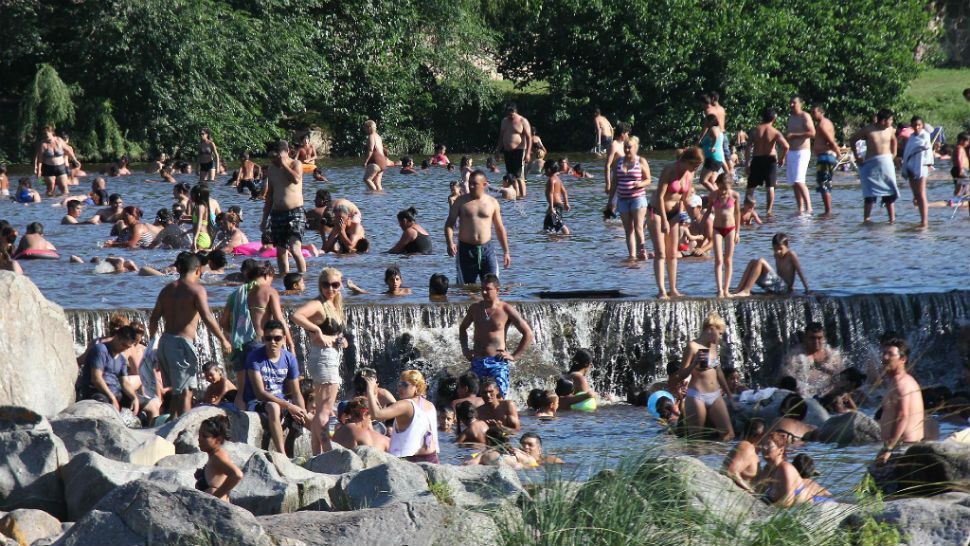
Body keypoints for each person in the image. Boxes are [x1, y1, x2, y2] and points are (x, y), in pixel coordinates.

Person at [149, 252, 232, 418]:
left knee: (176, 391)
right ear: (198, 270)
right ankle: (185, 427)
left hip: (165, 343)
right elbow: (207, 317)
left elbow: (153, 319)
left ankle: (171, 423)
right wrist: (223, 339)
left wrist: (152, 341)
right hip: (181, 345)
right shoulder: (196, 290)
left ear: (179, 269)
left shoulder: (166, 290)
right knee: (186, 391)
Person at [291, 268, 348, 454]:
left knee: (321, 410)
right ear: (320, 285)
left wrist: (340, 340)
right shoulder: (318, 304)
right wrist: (316, 330)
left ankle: (317, 453)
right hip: (324, 358)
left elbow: (333, 333)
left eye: (335, 285)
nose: (330, 289)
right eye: (326, 285)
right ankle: (328, 451)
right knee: (326, 411)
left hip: (326, 357)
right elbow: (296, 316)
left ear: (340, 285)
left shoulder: (333, 305)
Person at [459, 274, 534, 399]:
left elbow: (528, 333)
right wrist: (465, 349)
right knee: (475, 397)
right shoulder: (475, 308)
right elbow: (463, 328)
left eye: (488, 289)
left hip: (497, 363)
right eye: (482, 288)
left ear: (497, 290)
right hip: (478, 361)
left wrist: (514, 356)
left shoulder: (506, 309)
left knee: (498, 397)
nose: (484, 292)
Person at [241, 319, 309, 454]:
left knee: (312, 417)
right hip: (258, 402)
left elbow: (296, 393)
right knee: (274, 407)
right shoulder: (254, 358)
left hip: (282, 401)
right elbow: (260, 393)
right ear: (263, 339)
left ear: (284, 339)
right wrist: (289, 406)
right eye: (268, 338)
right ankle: (281, 455)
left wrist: (302, 412)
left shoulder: (289, 358)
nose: (273, 342)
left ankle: (322, 453)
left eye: (277, 338)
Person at [648, 148, 702, 298]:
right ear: (687, 161)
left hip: (674, 214)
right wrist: (664, 220)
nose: (696, 168)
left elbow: (684, 199)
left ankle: (673, 289)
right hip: (657, 212)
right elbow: (660, 196)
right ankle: (661, 290)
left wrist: (694, 218)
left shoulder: (690, 174)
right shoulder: (669, 169)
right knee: (660, 253)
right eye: (695, 165)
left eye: (698, 166)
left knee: (672, 253)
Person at [671, 312, 733, 440]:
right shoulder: (693, 346)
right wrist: (694, 364)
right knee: (696, 438)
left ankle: (713, 452)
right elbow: (680, 375)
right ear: (711, 329)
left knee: (729, 434)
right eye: (720, 333)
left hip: (715, 395)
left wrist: (730, 395)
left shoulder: (713, 346)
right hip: (697, 396)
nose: (721, 337)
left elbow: (718, 371)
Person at [445, 171, 511, 285]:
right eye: (470, 183)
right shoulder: (461, 201)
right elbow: (449, 224)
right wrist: (450, 243)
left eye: (474, 184)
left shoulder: (492, 202)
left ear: (484, 185)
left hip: (487, 250)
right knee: (466, 288)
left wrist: (506, 252)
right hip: (466, 251)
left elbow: (499, 228)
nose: (471, 186)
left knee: (492, 286)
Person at [364, 370, 439, 463]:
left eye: (405, 385)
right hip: (432, 458)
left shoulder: (405, 404)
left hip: (410, 461)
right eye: (399, 385)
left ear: (417, 387)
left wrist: (370, 390)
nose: (400, 388)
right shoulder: (430, 405)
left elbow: (377, 415)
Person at [260, 140, 307, 274]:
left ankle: (302, 278)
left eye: (276, 157)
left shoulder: (295, 164)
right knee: (281, 251)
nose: (273, 160)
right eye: (271, 157)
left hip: (296, 212)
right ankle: (284, 280)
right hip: (277, 214)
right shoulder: (271, 169)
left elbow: (296, 179)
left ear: (286, 152)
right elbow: (269, 195)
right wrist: (264, 219)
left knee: (295, 248)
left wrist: (284, 165)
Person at [876, 338, 925, 464]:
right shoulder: (903, 380)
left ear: (903, 359)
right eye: (884, 353)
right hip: (903, 446)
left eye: (890, 354)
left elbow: (902, 416)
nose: (885, 357)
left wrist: (888, 448)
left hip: (902, 448)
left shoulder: (901, 383)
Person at [850, 109, 899, 223]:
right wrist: (857, 156)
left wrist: (894, 154)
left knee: (889, 193)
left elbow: (894, 141)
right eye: (890, 120)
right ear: (883, 120)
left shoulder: (890, 129)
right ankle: (867, 219)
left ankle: (892, 220)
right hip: (871, 165)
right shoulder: (868, 129)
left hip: (886, 165)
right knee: (869, 194)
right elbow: (853, 140)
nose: (892, 122)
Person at [607, 136, 651, 260]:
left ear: (635, 148)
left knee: (638, 227)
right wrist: (610, 202)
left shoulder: (641, 161)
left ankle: (642, 251)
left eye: (629, 147)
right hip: (622, 200)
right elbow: (615, 182)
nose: (627, 149)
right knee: (628, 229)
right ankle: (632, 255)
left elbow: (648, 179)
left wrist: (640, 184)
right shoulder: (618, 162)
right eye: (625, 147)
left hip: (638, 198)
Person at [79, 325, 141, 412]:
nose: (124, 349)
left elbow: (125, 383)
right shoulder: (100, 350)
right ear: (116, 337)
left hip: (115, 392)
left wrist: (134, 397)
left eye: (128, 347)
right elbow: (96, 379)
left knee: (148, 405)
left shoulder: (122, 359)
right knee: (104, 404)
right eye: (123, 345)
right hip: (97, 393)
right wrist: (112, 397)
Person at [778, 323, 843, 398]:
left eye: (819, 338)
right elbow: (787, 380)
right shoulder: (794, 356)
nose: (816, 342)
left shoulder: (833, 355)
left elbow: (841, 378)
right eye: (812, 338)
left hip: (829, 396)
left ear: (824, 338)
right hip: (804, 397)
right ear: (805, 338)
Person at [733, 233, 809, 297]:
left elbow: (800, 272)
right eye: (775, 249)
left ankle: (746, 290)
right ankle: (739, 289)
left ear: (787, 246)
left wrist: (807, 288)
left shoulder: (791, 255)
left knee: (761, 261)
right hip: (776, 285)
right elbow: (775, 274)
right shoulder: (776, 255)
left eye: (780, 249)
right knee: (752, 262)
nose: (778, 251)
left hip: (784, 288)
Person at [745, 108, 789, 216]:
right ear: (774, 119)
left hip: (757, 159)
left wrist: (747, 163)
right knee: (770, 186)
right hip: (770, 159)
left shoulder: (755, 130)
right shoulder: (775, 132)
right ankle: (769, 211)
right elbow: (786, 146)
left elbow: (748, 147)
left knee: (751, 186)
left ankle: (746, 210)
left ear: (762, 117)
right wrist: (782, 158)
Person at [196, 415, 243, 501]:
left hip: (214, 507)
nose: (199, 439)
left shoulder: (217, 457)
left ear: (218, 439)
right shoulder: (214, 456)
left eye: (205, 436)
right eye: (199, 435)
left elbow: (237, 475)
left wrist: (214, 498)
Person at [709, 173, 741, 298]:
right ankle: (719, 290)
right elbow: (708, 211)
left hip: (730, 229)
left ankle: (726, 289)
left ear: (730, 186)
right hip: (717, 229)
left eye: (725, 189)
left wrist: (737, 232)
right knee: (718, 260)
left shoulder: (735, 195)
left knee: (728, 260)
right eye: (721, 188)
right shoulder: (713, 195)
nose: (723, 191)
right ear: (717, 185)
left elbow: (737, 214)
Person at [901, 116, 934, 228]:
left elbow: (925, 149)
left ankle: (924, 222)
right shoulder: (911, 137)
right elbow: (907, 152)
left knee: (921, 194)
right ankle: (921, 219)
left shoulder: (925, 136)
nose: (917, 127)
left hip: (921, 167)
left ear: (922, 125)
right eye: (914, 125)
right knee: (916, 195)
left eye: (919, 125)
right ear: (911, 126)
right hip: (911, 166)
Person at [785, 96, 816, 214]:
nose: (791, 105)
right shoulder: (791, 117)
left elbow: (812, 133)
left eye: (794, 103)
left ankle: (809, 208)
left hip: (802, 151)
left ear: (800, 104)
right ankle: (800, 208)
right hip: (791, 151)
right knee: (794, 182)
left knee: (799, 180)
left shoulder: (805, 116)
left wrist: (794, 135)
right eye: (791, 103)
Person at [495, 102, 532, 197]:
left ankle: (523, 197)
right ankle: (516, 196)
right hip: (507, 152)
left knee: (519, 177)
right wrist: (498, 151)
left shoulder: (523, 121)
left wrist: (528, 153)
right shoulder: (504, 121)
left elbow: (529, 138)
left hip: (519, 151)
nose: (509, 116)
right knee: (511, 176)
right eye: (508, 114)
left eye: (511, 114)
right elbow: (501, 137)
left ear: (515, 111)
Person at [757, 431, 803, 507]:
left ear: (781, 450)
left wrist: (765, 509)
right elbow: (758, 492)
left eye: (768, 445)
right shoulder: (766, 469)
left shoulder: (785, 468)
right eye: (763, 445)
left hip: (813, 507)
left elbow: (788, 500)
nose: (764, 448)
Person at [810, 106, 840, 217]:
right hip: (825, 157)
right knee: (824, 183)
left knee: (824, 184)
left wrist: (838, 152)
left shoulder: (822, 125)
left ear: (821, 112)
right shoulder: (826, 123)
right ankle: (827, 211)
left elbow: (830, 141)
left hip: (825, 157)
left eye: (814, 113)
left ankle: (828, 212)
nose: (813, 115)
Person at [723, 418, 766, 491]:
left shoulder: (752, 450)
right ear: (761, 435)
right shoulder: (746, 447)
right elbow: (731, 472)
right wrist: (751, 491)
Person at [34, 126, 77, 197]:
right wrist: (39, 170)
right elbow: (40, 159)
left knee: (64, 188)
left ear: (52, 133)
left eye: (47, 135)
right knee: (50, 188)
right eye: (44, 136)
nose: (46, 137)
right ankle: (49, 202)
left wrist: (74, 159)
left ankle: (64, 201)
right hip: (48, 168)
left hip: (61, 168)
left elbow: (68, 150)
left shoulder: (59, 140)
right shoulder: (43, 144)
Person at [697, 114, 731, 192]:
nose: (704, 122)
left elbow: (715, 137)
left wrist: (712, 146)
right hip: (717, 159)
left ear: (710, 121)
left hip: (712, 158)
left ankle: (716, 195)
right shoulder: (719, 130)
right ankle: (719, 196)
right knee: (711, 181)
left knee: (703, 180)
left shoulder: (713, 129)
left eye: (705, 120)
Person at [543, 160, 571, 235]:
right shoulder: (558, 179)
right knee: (547, 224)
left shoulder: (551, 180)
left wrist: (551, 207)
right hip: (558, 205)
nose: (544, 172)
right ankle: (552, 238)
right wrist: (566, 203)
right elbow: (564, 192)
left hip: (555, 206)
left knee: (559, 223)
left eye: (545, 169)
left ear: (549, 169)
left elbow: (551, 193)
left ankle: (567, 235)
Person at [362, 120, 388, 191]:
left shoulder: (371, 136)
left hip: (376, 161)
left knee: (367, 179)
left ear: (369, 127)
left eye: (365, 128)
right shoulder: (378, 137)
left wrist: (365, 162)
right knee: (377, 183)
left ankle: (374, 193)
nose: (365, 130)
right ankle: (380, 195)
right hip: (383, 161)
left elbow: (370, 150)